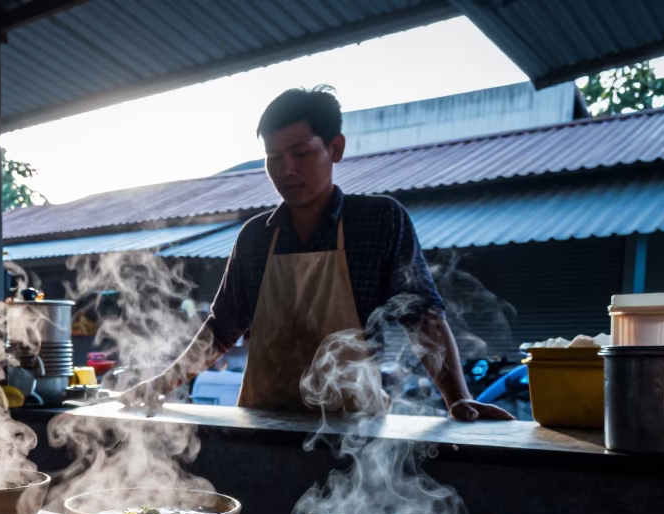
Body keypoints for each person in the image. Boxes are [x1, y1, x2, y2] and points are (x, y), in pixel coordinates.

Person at [122, 86, 513, 422]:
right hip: (262, 423)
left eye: (301, 153)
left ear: (335, 148)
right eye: (274, 157)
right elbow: (221, 328)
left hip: (354, 428)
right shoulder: (256, 237)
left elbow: (423, 316)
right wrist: (160, 384)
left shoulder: (379, 221)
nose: (286, 169)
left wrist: (458, 398)